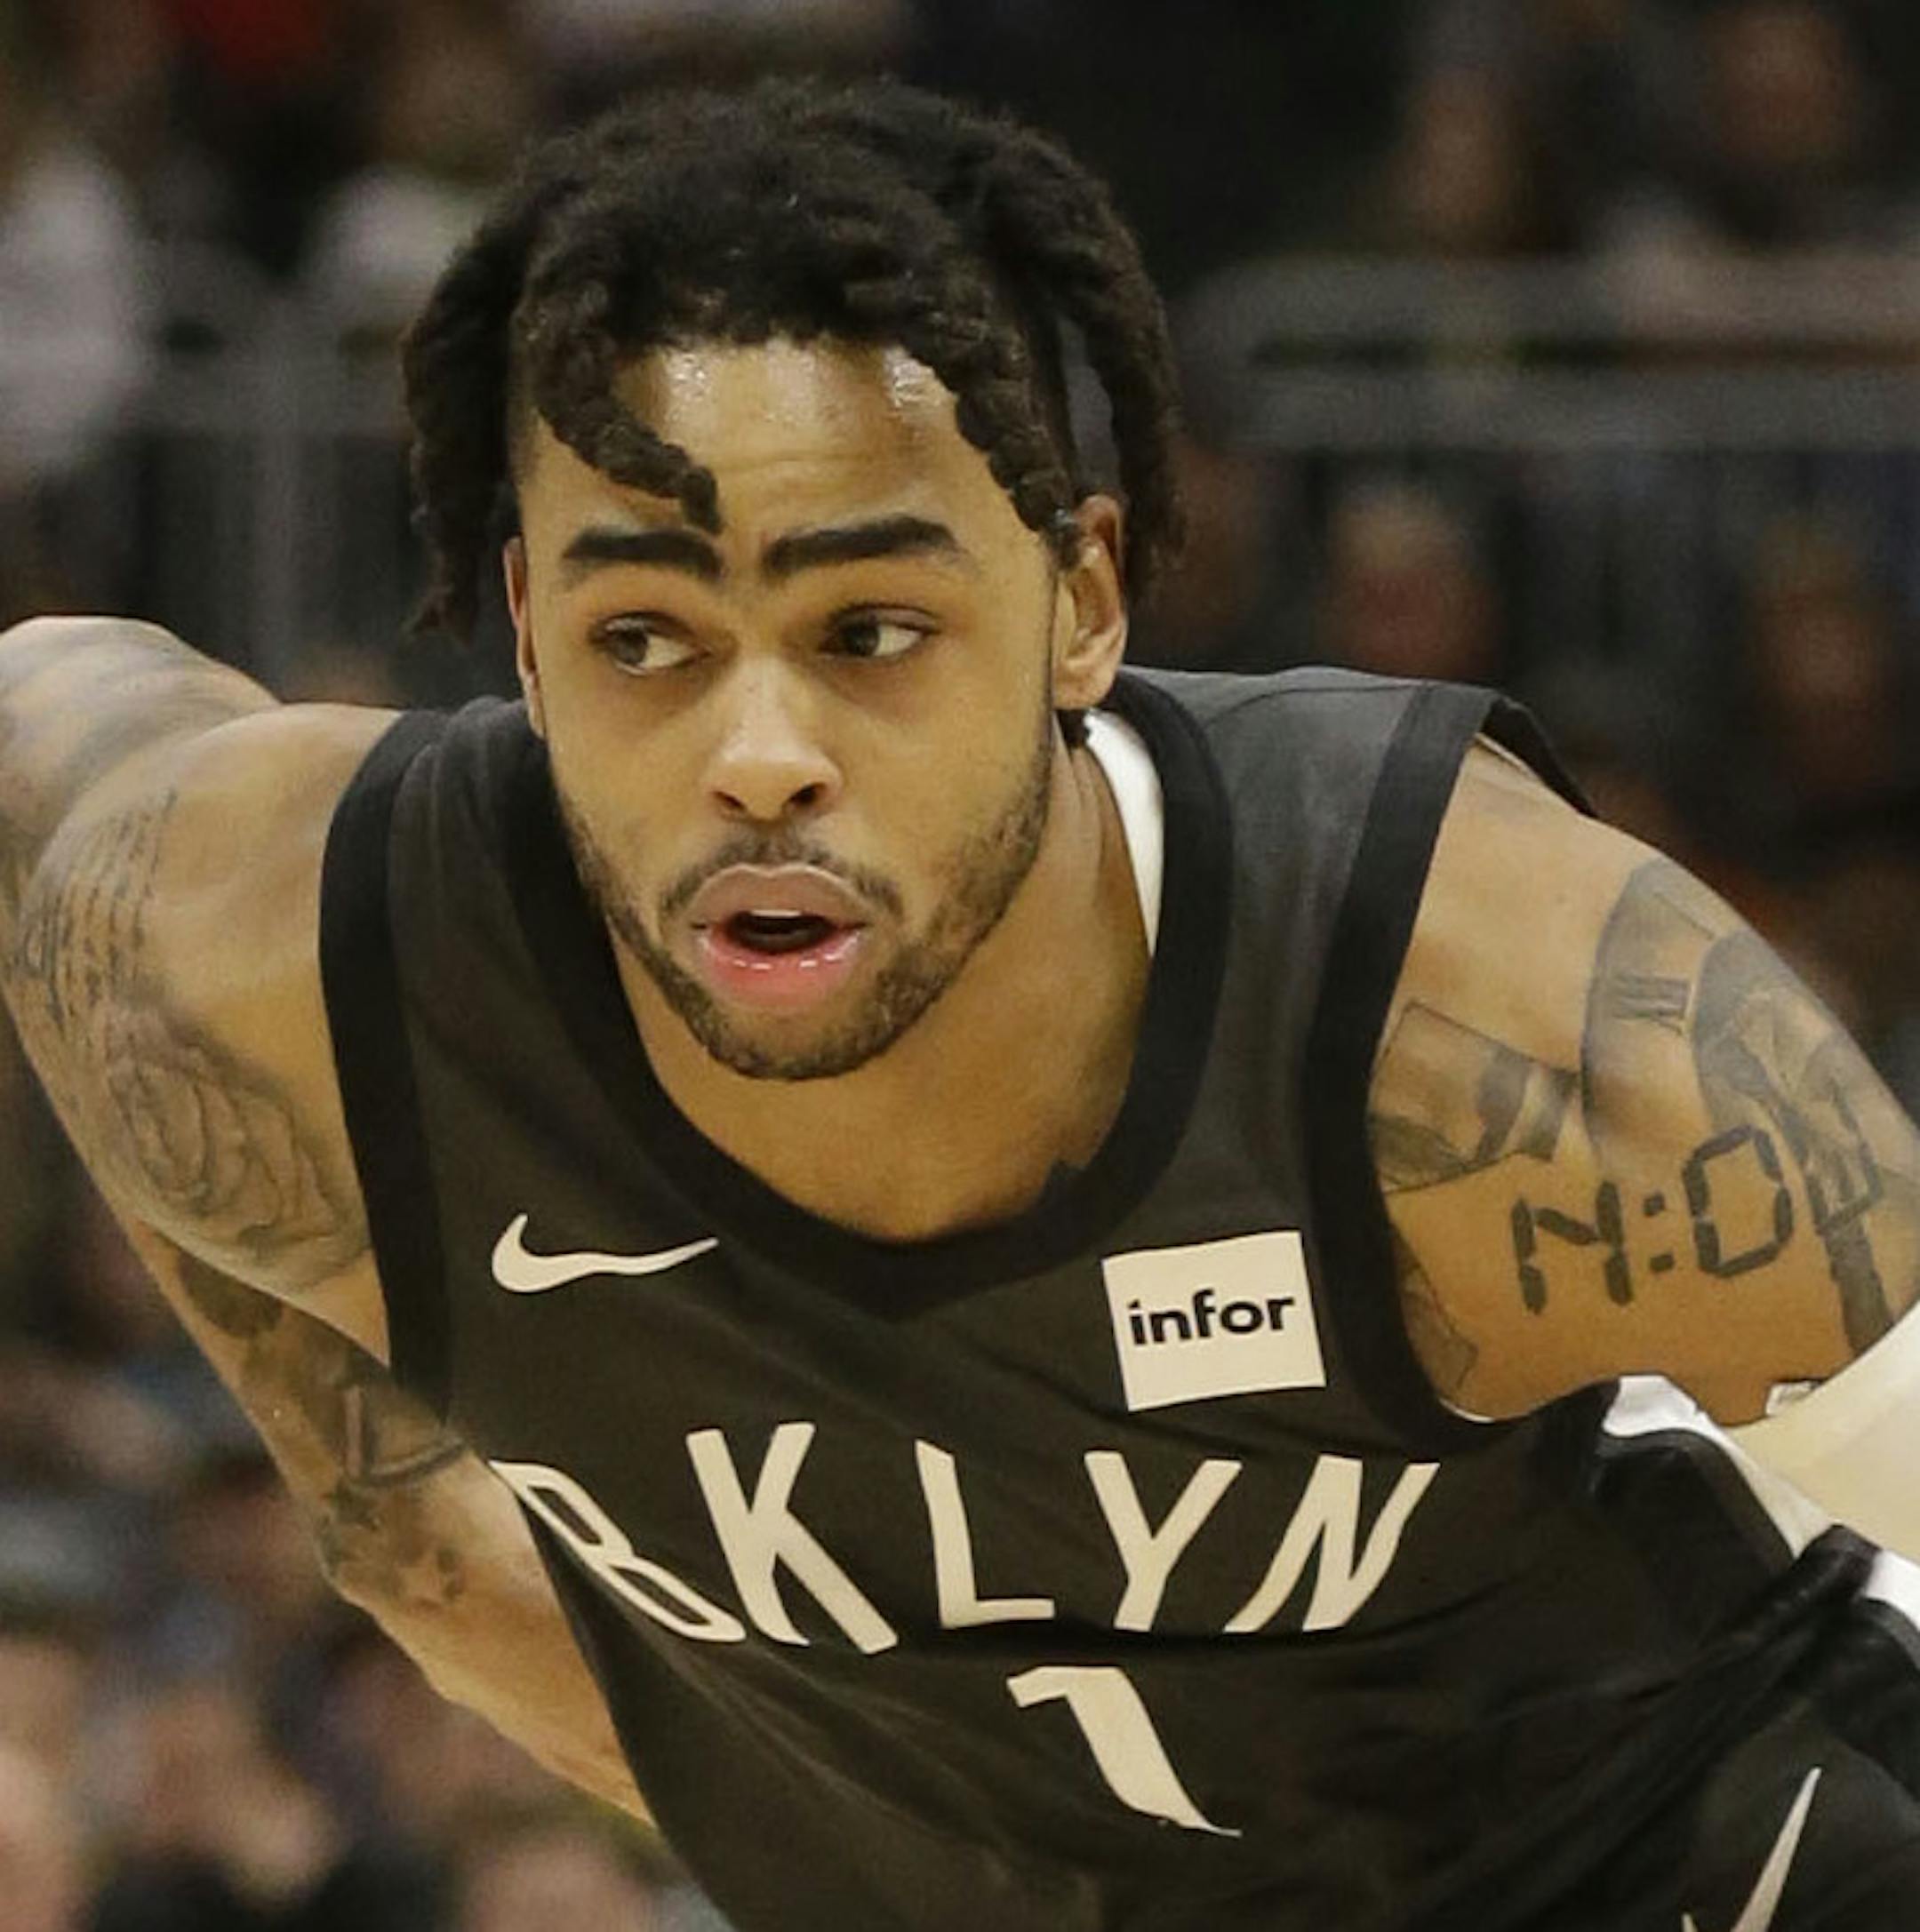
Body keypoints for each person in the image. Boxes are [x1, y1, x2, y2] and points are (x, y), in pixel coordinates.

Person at [1, 76, 1918, 1931]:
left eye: (871, 632)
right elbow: (38, 750)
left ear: (1084, 598)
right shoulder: (288, 956)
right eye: (641, 637)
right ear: (521, 631)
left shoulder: (1488, 1015)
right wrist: (383, 1494)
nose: (758, 755)